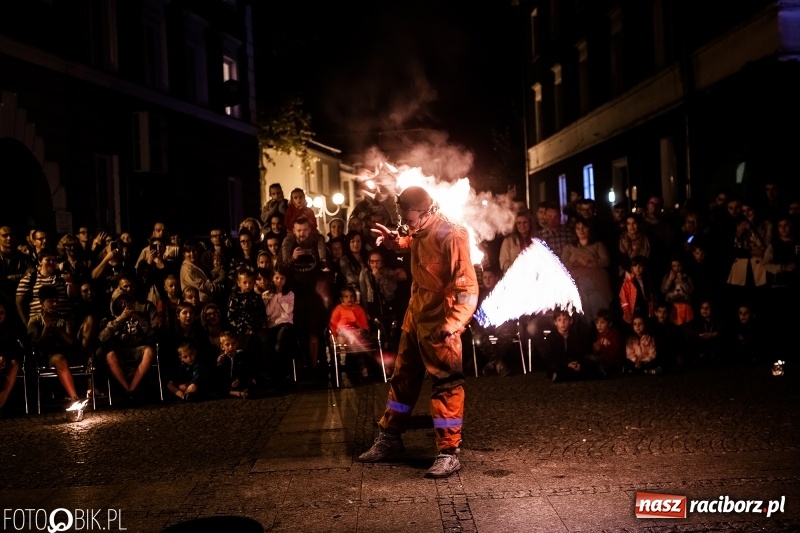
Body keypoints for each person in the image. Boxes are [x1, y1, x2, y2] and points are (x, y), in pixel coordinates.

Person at [359, 185, 478, 479]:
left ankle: (448, 453)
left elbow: (468, 287)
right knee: (403, 377)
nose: (403, 220)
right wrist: (392, 243)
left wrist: (453, 324)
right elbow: (413, 241)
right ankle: (390, 438)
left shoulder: (452, 234)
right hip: (417, 314)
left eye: (407, 215)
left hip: (441, 317)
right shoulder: (420, 227)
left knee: (446, 384)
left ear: (425, 212)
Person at [97, 288, 158, 403]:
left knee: (149, 351)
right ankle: (128, 390)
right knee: (110, 355)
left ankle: (131, 390)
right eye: (121, 302)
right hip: (119, 349)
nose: (125, 305)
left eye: (127, 302)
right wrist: (120, 319)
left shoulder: (140, 316)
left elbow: (152, 334)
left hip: (138, 348)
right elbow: (102, 337)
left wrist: (138, 319)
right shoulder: (109, 319)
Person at [28, 285, 81, 403]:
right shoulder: (34, 320)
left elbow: (71, 341)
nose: (55, 304)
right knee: (59, 359)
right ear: (42, 303)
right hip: (46, 355)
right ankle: (74, 398)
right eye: (51, 302)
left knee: (65, 357)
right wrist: (46, 328)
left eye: (56, 301)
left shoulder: (64, 319)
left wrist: (57, 329)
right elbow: (37, 344)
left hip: (67, 352)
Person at [560, 218, 612, 324]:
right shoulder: (570, 247)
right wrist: (577, 262)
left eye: (584, 228)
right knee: (584, 316)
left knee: (598, 314)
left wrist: (591, 262)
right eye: (578, 228)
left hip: (596, 282)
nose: (581, 231)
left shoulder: (597, 245)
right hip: (578, 284)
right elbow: (563, 264)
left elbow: (605, 260)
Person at [329, 285, 372, 383]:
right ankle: (361, 367)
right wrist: (333, 335)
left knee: (356, 339)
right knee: (345, 337)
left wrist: (362, 330)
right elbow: (333, 324)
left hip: (356, 332)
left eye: (352, 296)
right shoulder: (339, 309)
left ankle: (362, 367)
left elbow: (364, 324)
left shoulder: (358, 309)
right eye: (346, 296)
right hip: (343, 332)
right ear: (341, 299)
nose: (349, 299)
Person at [619, 255, 656, 325]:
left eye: (640, 266)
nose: (638, 268)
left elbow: (651, 296)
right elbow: (623, 298)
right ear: (632, 268)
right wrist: (627, 311)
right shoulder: (628, 282)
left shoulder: (648, 280)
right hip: (635, 309)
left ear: (644, 267)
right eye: (635, 266)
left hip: (646, 308)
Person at [214, 331, 251, 399]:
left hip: (237, 381)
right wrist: (219, 364)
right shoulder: (221, 358)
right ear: (222, 346)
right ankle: (237, 394)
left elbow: (244, 370)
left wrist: (238, 380)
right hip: (226, 384)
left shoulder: (240, 355)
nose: (231, 347)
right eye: (227, 345)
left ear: (237, 344)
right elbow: (218, 375)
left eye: (233, 344)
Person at [0, 302, 22, 414]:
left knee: (14, 364)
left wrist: (4, 357)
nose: (0, 316)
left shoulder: (8, 330)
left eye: (2, 313)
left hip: (5, 361)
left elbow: (14, 348)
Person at [660, 256, 694, 325]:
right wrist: (669, 280)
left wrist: (682, 281)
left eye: (678, 266)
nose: (676, 268)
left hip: (685, 306)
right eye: (674, 266)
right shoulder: (667, 276)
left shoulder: (686, 276)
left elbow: (690, 291)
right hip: (672, 306)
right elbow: (663, 290)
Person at [589, 308, 625, 375]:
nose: (599, 325)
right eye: (597, 323)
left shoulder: (614, 334)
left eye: (602, 322)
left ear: (609, 323)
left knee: (594, 359)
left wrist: (601, 349)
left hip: (614, 361)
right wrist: (596, 349)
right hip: (604, 360)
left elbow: (616, 352)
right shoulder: (599, 335)